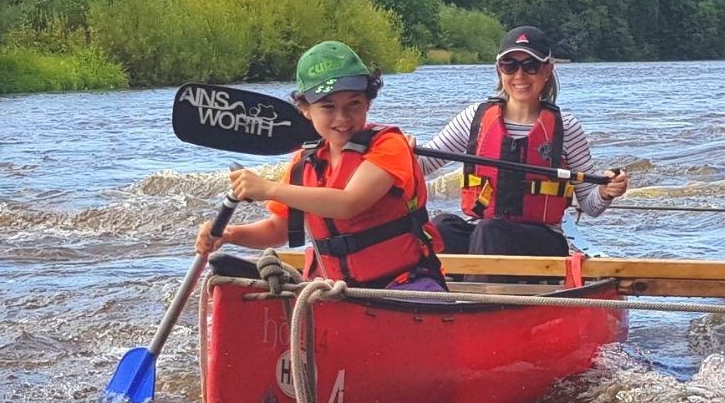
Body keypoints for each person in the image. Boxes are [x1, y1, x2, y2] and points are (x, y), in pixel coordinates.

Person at [195, 40, 446, 291]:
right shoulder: (302, 164)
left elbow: (348, 203)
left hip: (407, 283)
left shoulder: (389, 145)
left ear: (368, 102)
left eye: (354, 104)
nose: (342, 118)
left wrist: (268, 189)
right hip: (335, 290)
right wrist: (229, 234)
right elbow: (277, 231)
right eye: (328, 107)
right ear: (305, 109)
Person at [419, 25, 630, 258]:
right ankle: (439, 282)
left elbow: (590, 205)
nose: (519, 75)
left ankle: (476, 282)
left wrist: (606, 191)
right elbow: (422, 164)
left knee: (491, 231)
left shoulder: (567, 128)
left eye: (531, 66)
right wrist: (396, 147)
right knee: (441, 228)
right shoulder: (473, 119)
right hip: (484, 233)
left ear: (547, 71)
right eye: (509, 65)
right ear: (499, 70)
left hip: (543, 241)